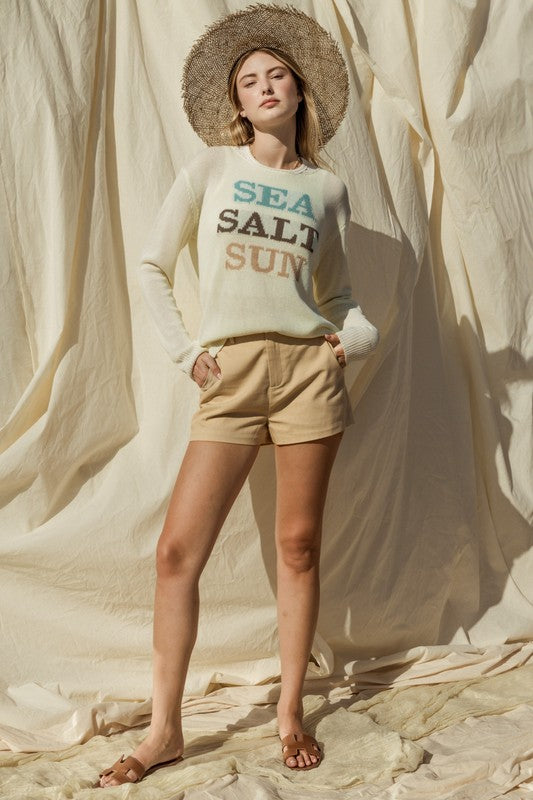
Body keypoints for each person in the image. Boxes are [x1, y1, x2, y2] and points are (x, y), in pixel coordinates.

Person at [99, 4, 379, 788]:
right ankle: (166, 730)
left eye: (276, 76)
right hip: (228, 374)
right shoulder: (210, 171)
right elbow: (152, 266)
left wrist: (351, 342)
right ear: (235, 102)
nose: (263, 86)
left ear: (298, 95)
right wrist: (187, 353)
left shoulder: (327, 188)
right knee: (175, 553)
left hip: (305, 376)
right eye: (248, 79)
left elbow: (343, 295)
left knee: (297, 547)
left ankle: (289, 713)